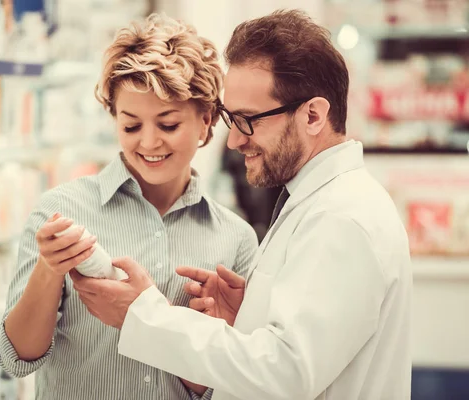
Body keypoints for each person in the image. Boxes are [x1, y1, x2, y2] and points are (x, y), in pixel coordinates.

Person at [71, 9, 413, 400]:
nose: (233, 141)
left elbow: (287, 373)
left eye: (248, 120)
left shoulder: (343, 219)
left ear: (313, 115)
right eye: (231, 119)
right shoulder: (317, 203)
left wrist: (143, 315)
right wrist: (248, 322)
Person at [0, 13, 258, 400]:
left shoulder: (235, 239)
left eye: (168, 125)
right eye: (131, 126)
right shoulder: (61, 210)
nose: (149, 143)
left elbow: (226, 386)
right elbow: (17, 358)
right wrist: (49, 269)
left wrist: (193, 334)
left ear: (205, 121)